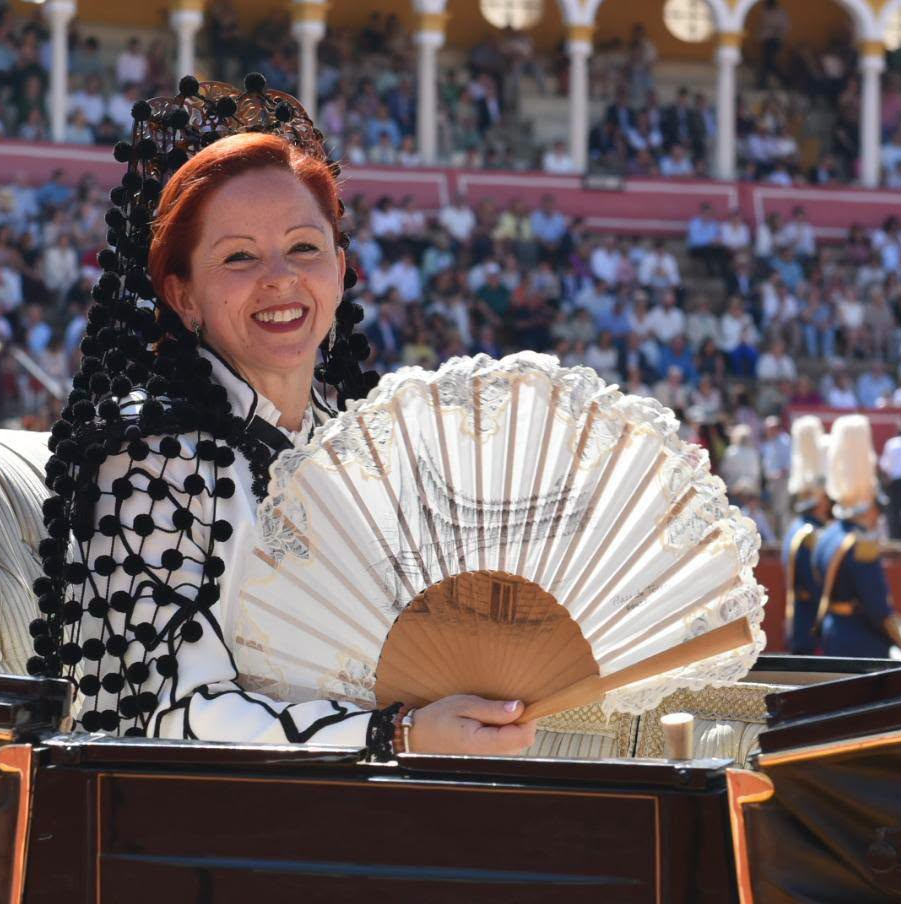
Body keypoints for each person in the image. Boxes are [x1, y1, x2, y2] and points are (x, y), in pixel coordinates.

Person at [36, 75, 535, 758]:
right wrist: (399, 736)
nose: (280, 277)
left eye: (304, 247)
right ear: (183, 297)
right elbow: (169, 716)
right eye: (238, 257)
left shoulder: (357, 449)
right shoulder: (153, 459)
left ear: (339, 267)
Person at [813, 415, 901, 660]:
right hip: (861, 645)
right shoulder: (861, 545)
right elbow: (878, 609)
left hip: (835, 635)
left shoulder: (827, 535)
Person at [782, 415, 829, 655]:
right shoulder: (811, 535)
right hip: (811, 626)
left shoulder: (797, 528)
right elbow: (819, 588)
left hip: (801, 621)